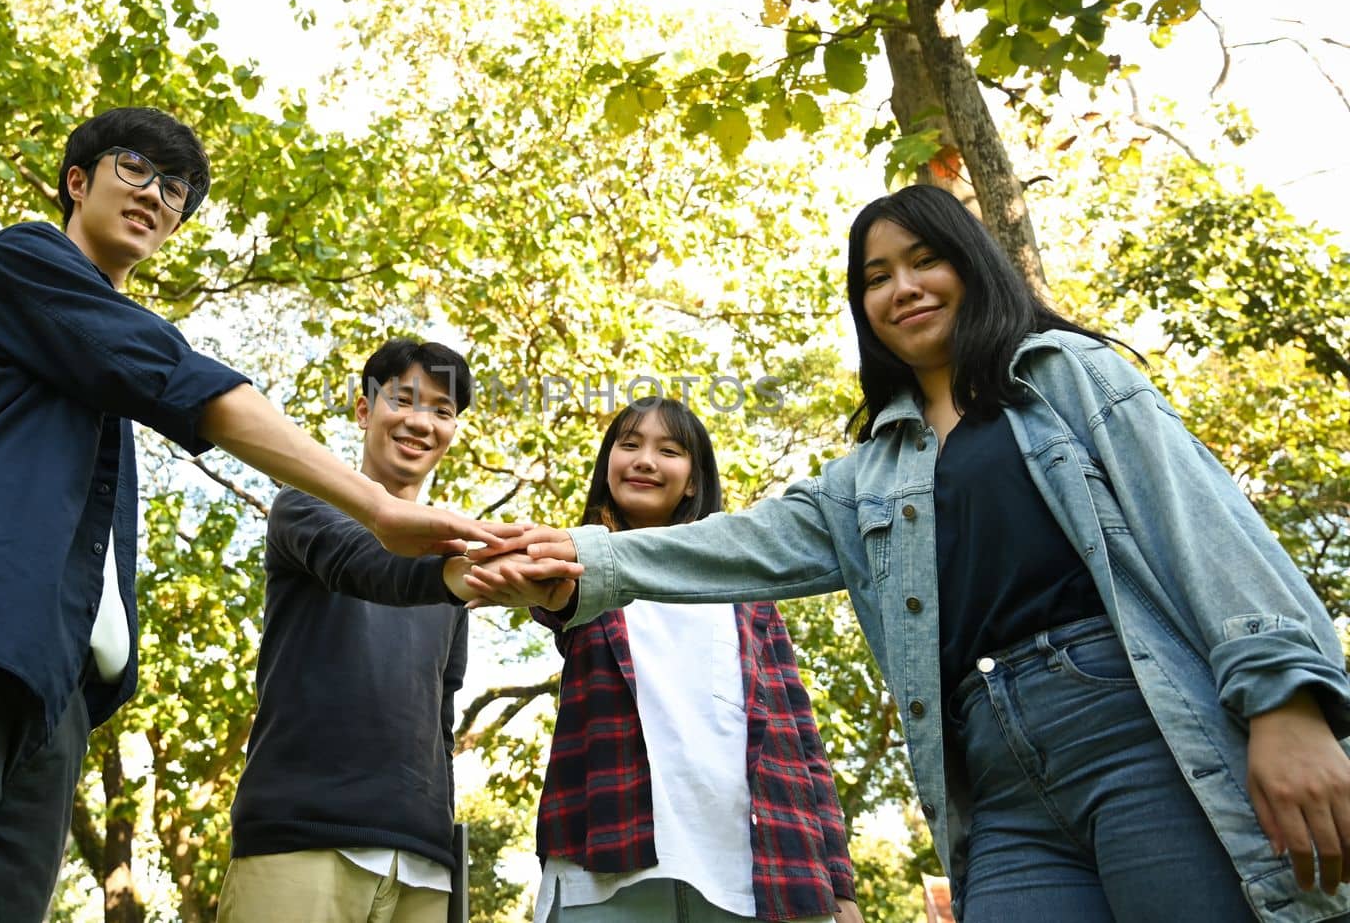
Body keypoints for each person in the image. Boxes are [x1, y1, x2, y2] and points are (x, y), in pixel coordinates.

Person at [470, 185, 1350, 922]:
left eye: (924, 260)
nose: (903, 289)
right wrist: (581, 556)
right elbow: (741, 541)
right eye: (876, 277)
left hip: (1134, 732)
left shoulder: (1066, 377)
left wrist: (1285, 699)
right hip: (993, 780)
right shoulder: (867, 475)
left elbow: (1203, 524)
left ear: (971, 263)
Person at [0, 108, 509, 923]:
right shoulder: (24, 264)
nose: (158, 195)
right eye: (135, 167)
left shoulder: (102, 395)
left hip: (55, 702)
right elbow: (174, 373)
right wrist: (375, 507)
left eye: (177, 187)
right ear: (76, 180)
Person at [527, 397, 862, 923]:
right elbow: (546, 600)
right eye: (629, 444)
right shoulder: (577, 568)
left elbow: (802, 735)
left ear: (691, 480)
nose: (644, 460)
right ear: (607, 465)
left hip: (758, 873)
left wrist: (839, 881)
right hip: (608, 874)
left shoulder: (748, 588)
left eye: (669, 449)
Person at [219, 338, 486, 923]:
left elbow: (441, 710)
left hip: (423, 861)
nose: (421, 422)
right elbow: (369, 563)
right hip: (300, 839)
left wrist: (441, 839)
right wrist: (463, 570)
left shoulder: (452, 568)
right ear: (365, 410)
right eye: (404, 400)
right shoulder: (304, 506)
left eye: (442, 411)